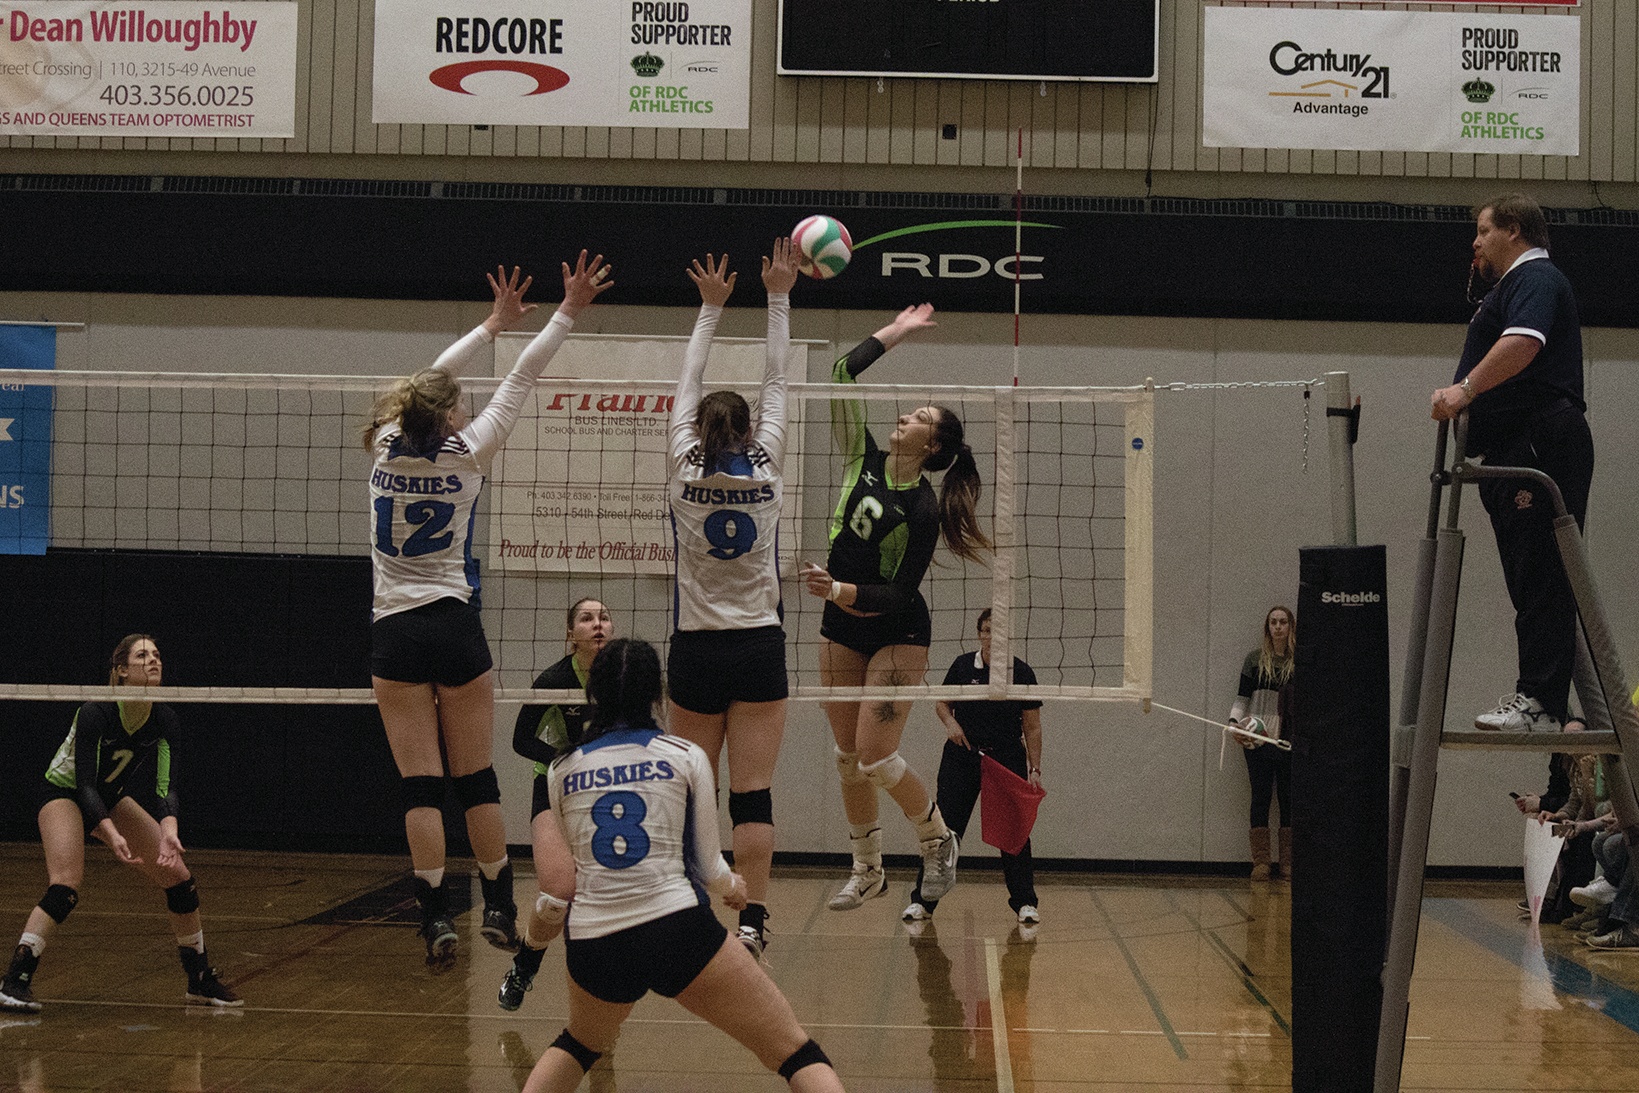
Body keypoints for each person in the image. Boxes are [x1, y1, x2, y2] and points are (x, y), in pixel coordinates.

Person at [364, 255, 612, 969]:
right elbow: (524, 374)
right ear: (447, 416)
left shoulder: (383, 444)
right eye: (459, 402)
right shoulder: (470, 452)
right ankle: (500, 899)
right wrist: (564, 310)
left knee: (419, 784)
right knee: (475, 778)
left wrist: (487, 323)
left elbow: (422, 384)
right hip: (452, 621)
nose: (468, 407)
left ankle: (435, 914)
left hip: (394, 630)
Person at [521, 638, 845, 1093]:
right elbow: (708, 866)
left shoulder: (561, 770)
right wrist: (735, 887)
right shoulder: (684, 754)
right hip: (676, 929)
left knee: (578, 1045)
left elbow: (581, 860)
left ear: (593, 694)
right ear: (658, 694)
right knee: (796, 1053)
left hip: (595, 940)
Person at [798, 304, 991, 912]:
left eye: (919, 417)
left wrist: (838, 591)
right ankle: (868, 868)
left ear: (931, 445)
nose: (903, 415)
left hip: (897, 630)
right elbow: (839, 374)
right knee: (848, 757)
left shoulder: (924, 509)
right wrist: (897, 333)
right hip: (839, 624)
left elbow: (902, 593)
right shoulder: (861, 455)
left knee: (877, 754)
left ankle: (937, 839)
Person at [664, 242, 799, 961]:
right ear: (747, 431)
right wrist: (776, 295)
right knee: (753, 793)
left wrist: (709, 307)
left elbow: (686, 384)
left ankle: (688, 909)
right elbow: (777, 383)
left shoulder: (681, 468)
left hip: (695, 645)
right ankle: (752, 920)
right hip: (758, 642)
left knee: (692, 788)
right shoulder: (769, 464)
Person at [0, 635, 241, 1013]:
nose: (153, 661)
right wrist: (109, 832)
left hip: (109, 796)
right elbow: (84, 784)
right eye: (143, 656)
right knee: (66, 884)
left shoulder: (164, 717)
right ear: (121, 671)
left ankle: (198, 979)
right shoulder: (97, 710)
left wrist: (169, 831)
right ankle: (15, 979)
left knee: (180, 879)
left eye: (158, 655)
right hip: (63, 793)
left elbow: (166, 788)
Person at [1431, 193, 1592, 735]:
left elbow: (1524, 343)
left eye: (1483, 230)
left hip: (1538, 444)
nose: (1474, 243)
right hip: (1514, 449)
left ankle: (1541, 703)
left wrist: (1464, 390)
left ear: (1515, 229)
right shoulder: (1512, 286)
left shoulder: (1536, 279)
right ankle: (1546, 703)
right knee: (1531, 579)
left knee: (1543, 574)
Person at [498, 597, 611, 1011]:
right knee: (557, 894)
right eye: (586, 619)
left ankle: (599, 993)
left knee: (603, 895)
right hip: (554, 787)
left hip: (608, 792)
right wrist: (568, 761)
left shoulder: (623, 675)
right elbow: (519, 740)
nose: (597, 624)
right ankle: (524, 968)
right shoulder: (553, 679)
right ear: (570, 634)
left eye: (603, 618)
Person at [904, 609, 1044, 927]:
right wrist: (950, 722)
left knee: (1015, 831)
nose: (992, 636)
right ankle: (922, 903)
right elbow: (942, 702)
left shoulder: (1021, 672)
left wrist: (1034, 769)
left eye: (999, 631)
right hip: (962, 756)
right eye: (986, 630)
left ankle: (1025, 903)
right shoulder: (962, 665)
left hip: (1005, 757)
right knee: (943, 831)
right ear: (979, 634)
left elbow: (1032, 726)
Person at [1229, 606, 1295, 881]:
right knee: (1261, 797)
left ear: (1290, 627)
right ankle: (1262, 863)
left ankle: (1289, 863)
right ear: (1267, 627)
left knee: (1289, 800)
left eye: (1283, 622)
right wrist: (1233, 723)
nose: (1278, 627)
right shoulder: (1254, 660)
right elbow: (1242, 698)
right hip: (1258, 739)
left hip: (1289, 739)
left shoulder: (1299, 662)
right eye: (1273, 622)